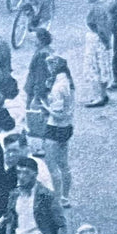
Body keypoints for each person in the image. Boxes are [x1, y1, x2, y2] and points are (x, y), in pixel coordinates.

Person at [41, 55, 75, 205]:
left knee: (51, 165)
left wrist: (45, 107)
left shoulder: (57, 88)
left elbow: (58, 114)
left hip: (54, 127)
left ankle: (56, 198)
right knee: (64, 164)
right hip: (67, 127)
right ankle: (65, 197)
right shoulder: (68, 82)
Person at [82, 0, 114, 107]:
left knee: (94, 67)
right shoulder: (103, 5)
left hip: (97, 38)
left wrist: (105, 41)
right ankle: (103, 94)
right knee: (102, 66)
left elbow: (99, 27)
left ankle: (98, 96)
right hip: (102, 38)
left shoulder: (97, 8)